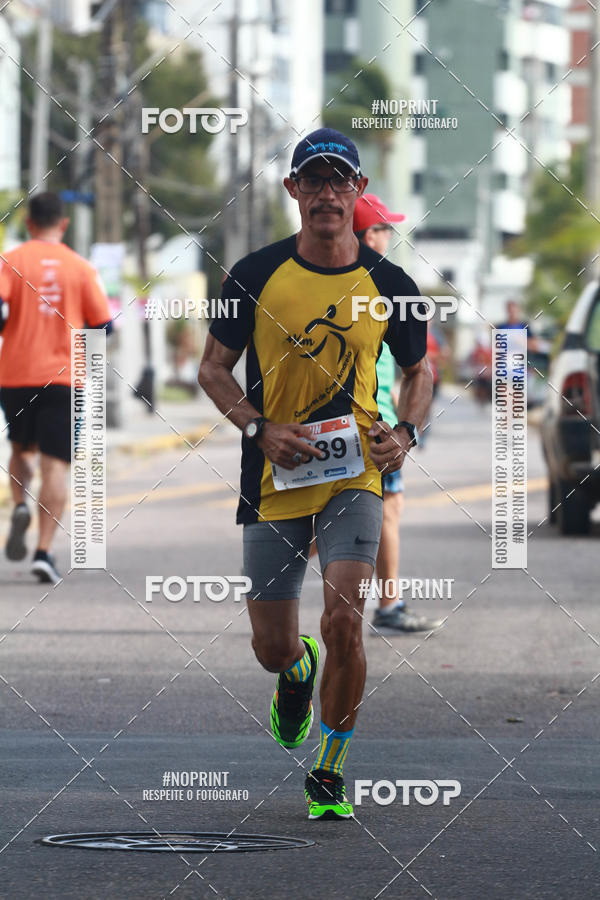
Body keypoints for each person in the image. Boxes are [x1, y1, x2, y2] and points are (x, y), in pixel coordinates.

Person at [198, 128, 432, 821]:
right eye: (314, 180)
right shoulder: (252, 273)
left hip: (353, 475)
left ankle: (330, 766)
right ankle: (294, 674)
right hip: (275, 474)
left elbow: (420, 370)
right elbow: (212, 368)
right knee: (272, 645)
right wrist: (257, 428)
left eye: (340, 181)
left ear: (358, 192)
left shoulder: (392, 285)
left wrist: (407, 433)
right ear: (293, 190)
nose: (328, 193)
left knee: (345, 621)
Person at [0, 192, 112, 584]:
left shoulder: (11, 261)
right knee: (56, 466)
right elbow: (103, 325)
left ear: (29, 223)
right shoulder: (80, 268)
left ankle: (18, 504)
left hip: (15, 375)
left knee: (20, 450)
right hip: (66, 378)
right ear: (62, 224)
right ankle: (43, 552)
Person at [353, 194, 443, 634]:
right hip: (379, 422)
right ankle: (389, 604)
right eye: (385, 228)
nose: (389, 236)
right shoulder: (381, 283)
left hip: (370, 419)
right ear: (370, 234)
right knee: (387, 509)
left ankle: (278, 563)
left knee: (379, 507)